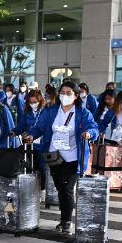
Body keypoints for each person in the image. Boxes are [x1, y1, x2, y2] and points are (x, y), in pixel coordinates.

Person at [25, 81, 98, 233]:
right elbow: (40, 127)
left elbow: (93, 126)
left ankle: (66, 221)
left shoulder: (82, 113)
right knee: (60, 187)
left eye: (69, 93)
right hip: (54, 156)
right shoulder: (51, 111)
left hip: (72, 157)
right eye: (63, 92)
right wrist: (32, 135)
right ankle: (64, 216)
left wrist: (89, 133)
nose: (65, 96)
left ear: (76, 96)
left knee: (66, 187)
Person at [11, 89, 47, 188]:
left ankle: (42, 188)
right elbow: (22, 125)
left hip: (42, 142)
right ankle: (31, 187)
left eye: (35, 102)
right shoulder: (27, 112)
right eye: (30, 102)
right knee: (29, 165)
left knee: (41, 166)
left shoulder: (46, 111)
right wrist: (15, 131)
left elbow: (43, 127)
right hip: (30, 143)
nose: (32, 104)